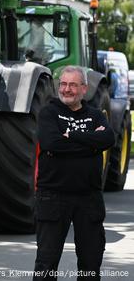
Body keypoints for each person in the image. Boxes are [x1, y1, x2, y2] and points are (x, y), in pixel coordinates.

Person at [33, 66, 115, 281]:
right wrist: (91, 143)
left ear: (84, 89)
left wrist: (71, 136)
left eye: (72, 85)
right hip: (53, 196)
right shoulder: (48, 113)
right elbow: (52, 143)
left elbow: (108, 139)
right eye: (63, 84)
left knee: (91, 263)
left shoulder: (96, 115)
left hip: (89, 198)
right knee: (46, 264)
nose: (66, 89)